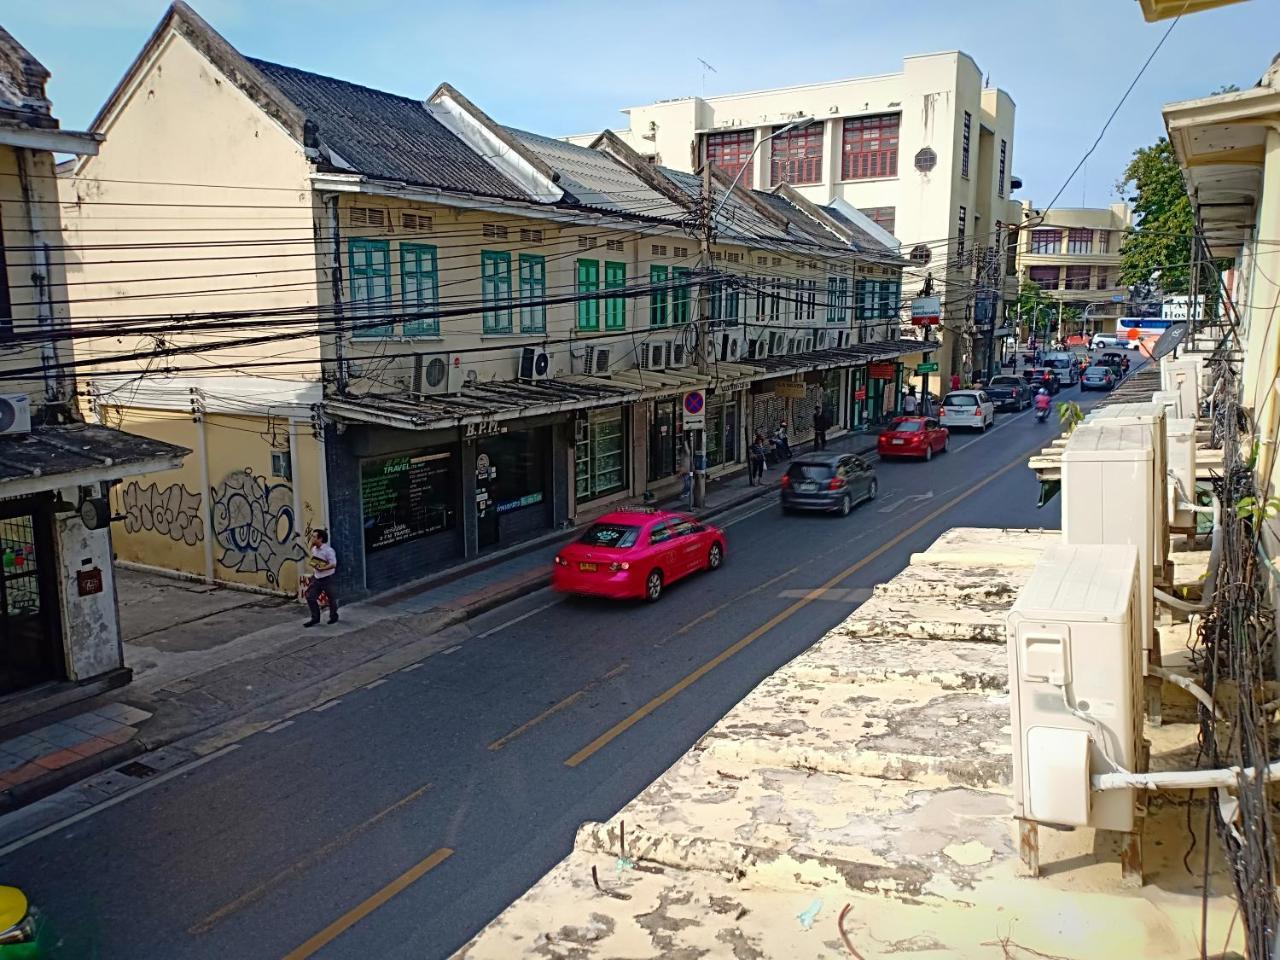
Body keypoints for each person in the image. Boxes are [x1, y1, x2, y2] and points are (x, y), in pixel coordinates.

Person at [303, 529, 338, 627]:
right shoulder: (314, 549)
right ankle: (315, 618)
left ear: (320, 539)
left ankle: (333, 616)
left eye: (314, 537)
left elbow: (333, 564)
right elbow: (314, 559)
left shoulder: (328, 551)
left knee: (331, 598)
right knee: (310, 597)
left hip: (328, 578)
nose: (312, 538)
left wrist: (323, 568)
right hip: (317, 578)